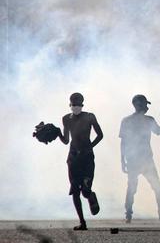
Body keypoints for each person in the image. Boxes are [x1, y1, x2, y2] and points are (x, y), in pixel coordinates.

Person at [119, 94, 160, 223]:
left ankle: (128, 215)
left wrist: (122, 160)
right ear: (139, 104)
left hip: (133, 160)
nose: (147, 107)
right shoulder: (148, 120)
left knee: (132, 188)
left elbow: (123, 142)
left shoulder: (126, 121)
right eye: (145, 104)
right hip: (146, 160)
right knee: (156, 187)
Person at [57, 92, 103, 231]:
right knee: (75, 191)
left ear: (82, 104)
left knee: (85, 191)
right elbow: (66, 141)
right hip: (73, 158)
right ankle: (82, 222)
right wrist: (58, 132)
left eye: (78, 104)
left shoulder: (89, 117)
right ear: (70, 104)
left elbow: (100, 135)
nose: (76, 106)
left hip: (87, 157)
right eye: (74, 104)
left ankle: (90, 195)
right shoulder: (66, 119)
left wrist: (90, 146)